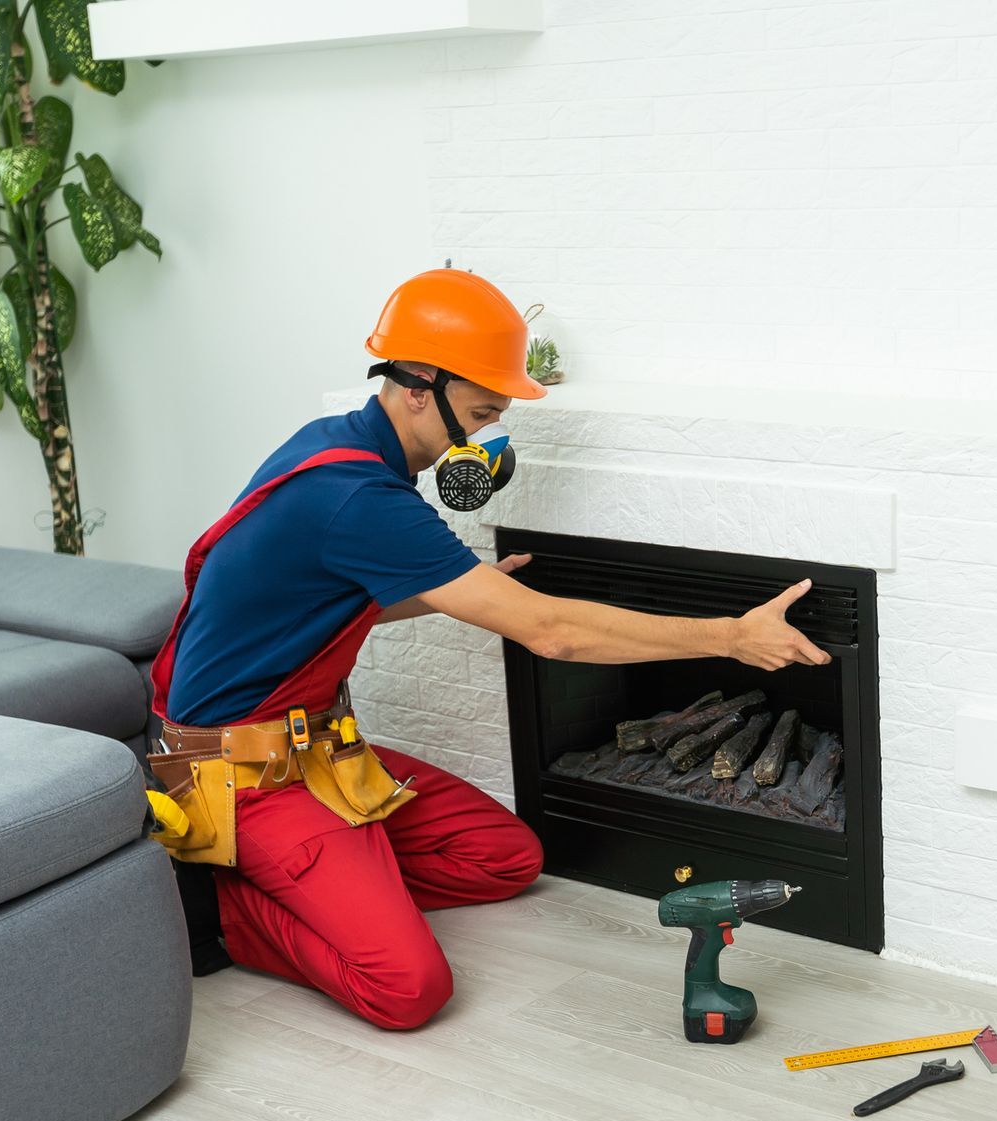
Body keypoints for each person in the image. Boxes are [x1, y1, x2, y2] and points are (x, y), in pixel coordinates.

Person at [145, 268, 828, 1030]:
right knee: (408, 990)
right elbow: (554, 632)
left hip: (319, 753)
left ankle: (338, 882)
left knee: (505, 858)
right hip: (244, 778)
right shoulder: (359, 498)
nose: (477, 438)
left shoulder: (342, 451)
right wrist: (732, 636)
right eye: (475, 413)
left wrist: (463, 584)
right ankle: (225, 911)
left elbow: (320, 601)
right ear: (416, 386)